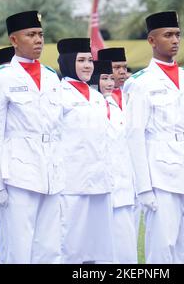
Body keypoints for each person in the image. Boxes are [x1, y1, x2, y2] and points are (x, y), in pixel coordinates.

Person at [124, 11, 184, 263]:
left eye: (177, 35)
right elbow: (134, 136)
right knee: (163, 245)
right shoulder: (141, 83)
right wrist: (143, 188)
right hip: (162, 173)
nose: (175, 40)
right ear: (151, 40)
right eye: (168, 35)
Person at [0, 11, 64, 264]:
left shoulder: (52, 77)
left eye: (40, 34)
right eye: (31, 35)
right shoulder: (1, 77)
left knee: (50, 247)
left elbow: (58, 129)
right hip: (18, 173)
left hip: (51, 172)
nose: (38, 40)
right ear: (14, 40)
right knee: (18, 247)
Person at [57, 38, 114, 264]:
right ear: (69, 62)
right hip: (72, 182)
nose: (88, 65)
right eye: (81, 60)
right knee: (71, 246)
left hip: (100, 181)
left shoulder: (98, 98)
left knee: (98, 248)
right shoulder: (59, 94)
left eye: (90, 60)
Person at [92, 59, 137, 264]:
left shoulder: (118, 106)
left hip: (123, 181)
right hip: (98, 183)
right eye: (104, 78)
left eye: (112, 78)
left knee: (125, 242)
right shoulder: (89, 107)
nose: (110, 83)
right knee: (99, 245)